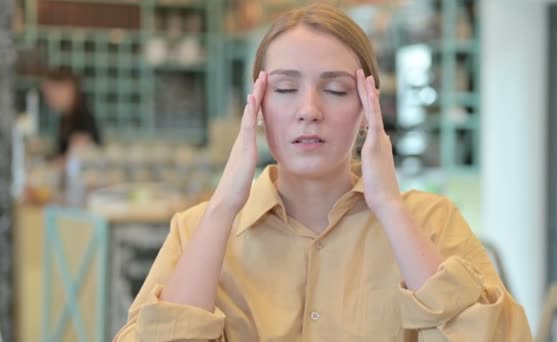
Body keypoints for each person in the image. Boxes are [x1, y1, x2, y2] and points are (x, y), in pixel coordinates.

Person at [114, 4, 532, 341]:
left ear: (368, 109)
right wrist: (223, 207)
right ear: (257, 107)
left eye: (335, 90)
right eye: (284, 89)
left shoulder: (430, 222)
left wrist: (388, 205)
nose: (309, 110)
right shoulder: (196, 231)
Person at [41, 67, 102, 165]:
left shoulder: (81, 118)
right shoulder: (66, 117)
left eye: (52, 94)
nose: (49, 100)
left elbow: (77, 159)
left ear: (69, 89)